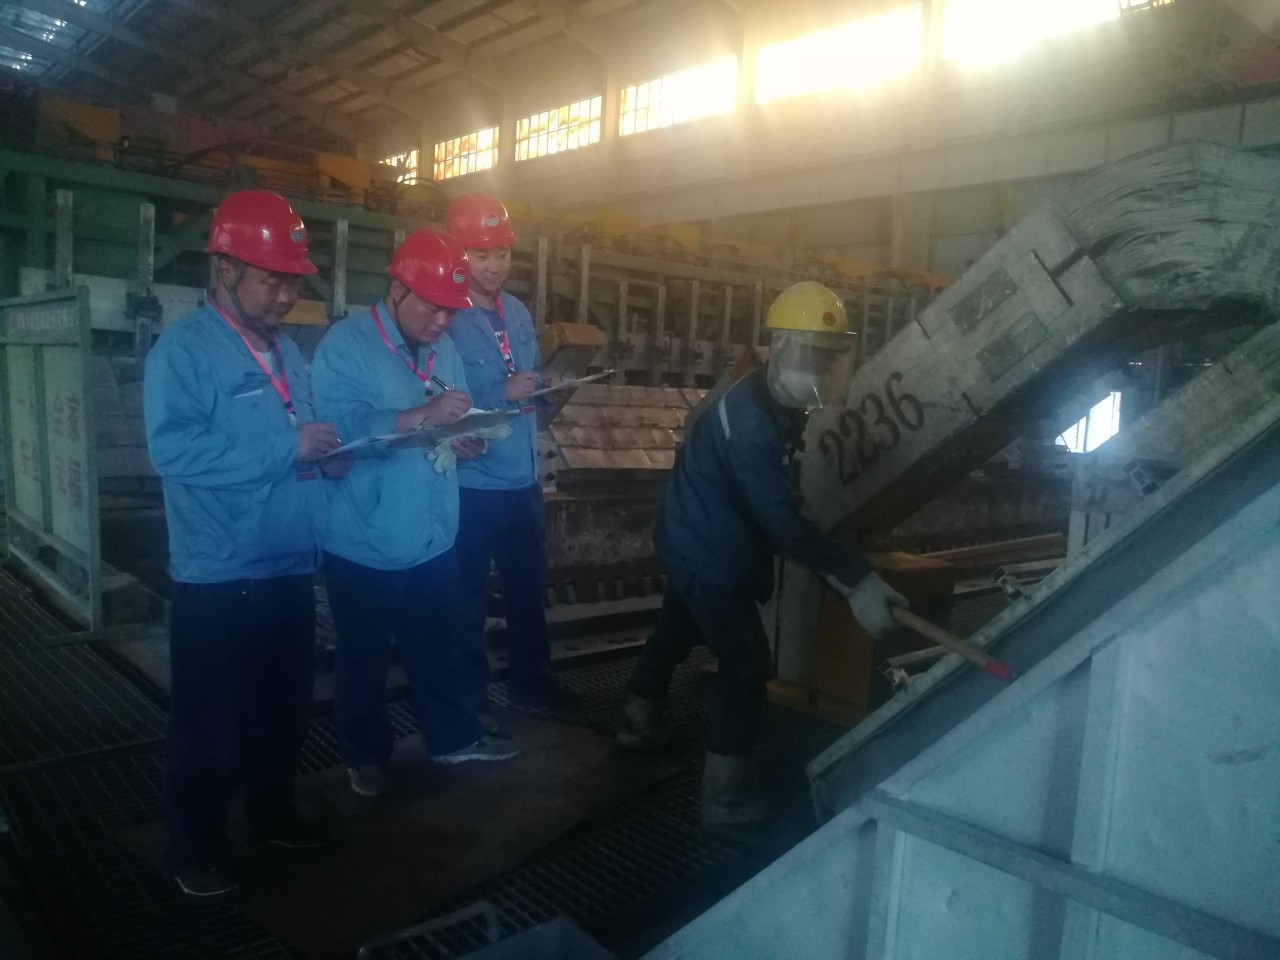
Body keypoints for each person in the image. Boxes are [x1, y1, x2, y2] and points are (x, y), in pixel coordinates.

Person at [616, 281, 908, 842]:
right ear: (779, 347)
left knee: (676, 629)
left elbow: (775, 498)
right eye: (809, 354)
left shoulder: (773, 398)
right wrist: (855, 578)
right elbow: (780, 522)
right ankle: (728, 804)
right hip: (707, 547)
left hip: (691, 532)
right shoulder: (750, 422)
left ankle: (637, 723)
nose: (817, 368)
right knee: (747, 667)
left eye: (827, 357)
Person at [144, 190, 345, 899]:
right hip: (222, 575)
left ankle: (271, 813)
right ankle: (193, 849)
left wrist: (326, 458)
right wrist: (287, 448)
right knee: (210, 725)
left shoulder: (288, 351)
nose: (286, 296)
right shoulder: (184, 351)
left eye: (294, 281)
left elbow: (301, 433)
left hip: (288, 565)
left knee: (280, 714)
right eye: (272, 280)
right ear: (225, 269)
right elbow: (173, 450)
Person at [312, 228, 521, 800]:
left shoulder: (443, 347)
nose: (441, 322)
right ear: (397, 289)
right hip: (365, 533)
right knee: (363, 654)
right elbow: (338, 432)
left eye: (451, 311)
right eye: (432, 307)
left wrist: (462, 438)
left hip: (432, 529)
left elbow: (448, 416)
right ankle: (365, 755)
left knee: (439, 642)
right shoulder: (347, 345)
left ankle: (454, 738)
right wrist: (422, 414)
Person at [446, 194, 579, 712]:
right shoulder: (447, 316)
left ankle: (532, 686)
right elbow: (437, 395)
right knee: (467, 600)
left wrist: (548, 388)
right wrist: (501, 391)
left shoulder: (518, 312)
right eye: (481, 255)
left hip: (521, 482)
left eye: (501, 254)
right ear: (458, 255)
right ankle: (468, 704)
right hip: (472, 484)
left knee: (527, 591)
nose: (494, 266)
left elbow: (527, 380)